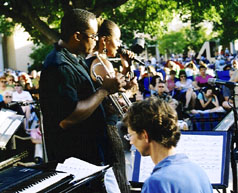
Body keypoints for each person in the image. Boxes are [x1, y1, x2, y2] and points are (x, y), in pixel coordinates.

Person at [39, 9, 126, 192]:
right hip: (79, 160)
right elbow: (67, 118)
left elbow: (85, 99)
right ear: (77, 36)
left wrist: (105, 105)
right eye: (93, 36)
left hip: (93, 154)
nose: (96, 40)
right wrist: (103, 91)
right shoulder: (59, 66)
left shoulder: (73, 59)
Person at [85, 19, 136, 193]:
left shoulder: (94, 60)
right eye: (118, 39)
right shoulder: (101, 63)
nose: (120, 44)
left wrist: (126, 67)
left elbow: (114, 90)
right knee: (118, 178)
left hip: (101, 128)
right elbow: (115, 104)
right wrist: (129, 94)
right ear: (105, 40)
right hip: (107, 129)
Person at [122, 97, 213, 193]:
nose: (131, 141)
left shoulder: (157, 182)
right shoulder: (198, 171)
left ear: (145, 135)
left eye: (131, 135)